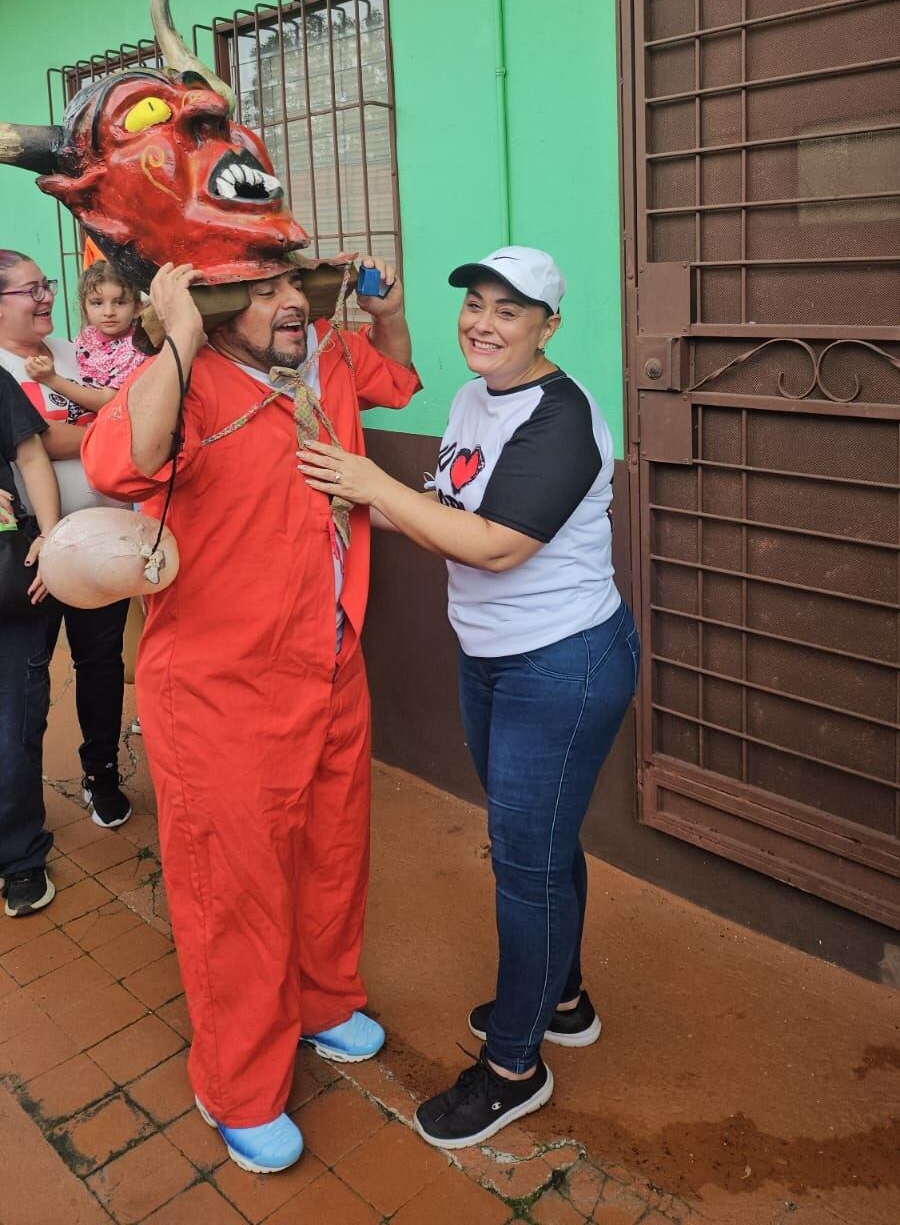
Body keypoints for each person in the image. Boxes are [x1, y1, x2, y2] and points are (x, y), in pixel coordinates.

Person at [81, 255, 419, 1174]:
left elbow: (401, 374)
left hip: (332, 661)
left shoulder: (330, 360)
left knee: (331, 851)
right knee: (236, 893)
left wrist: (391, 311)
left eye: (294, 287)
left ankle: (323, 999)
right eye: (260, 291)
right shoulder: (186, 386)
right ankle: (236, 1084)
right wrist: (179, 336)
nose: (289, 305)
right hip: (221, 691)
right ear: (214, 304)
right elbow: (120, 461)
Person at [300, 246, 640, 1149]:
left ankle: (514, 1067)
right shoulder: (472, 397)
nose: (483, 324)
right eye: (475, 305)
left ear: (548, 327)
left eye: (509, 311)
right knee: (538, 842)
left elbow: (492, 546)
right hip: (492, 656)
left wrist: (368, 485)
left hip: (559, 664)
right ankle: (561, 996)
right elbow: (447, 501)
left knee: (523, 862)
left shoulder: (561, 419)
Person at [0, 250, 132, 827]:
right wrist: (107, 425)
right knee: (26, 686)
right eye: (31, 290)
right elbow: (41, 442)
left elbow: (119, 407)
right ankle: (23, 820)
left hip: (103, 537)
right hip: (31, 550)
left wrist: (100, 422)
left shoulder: (72, 352)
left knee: (101, 662)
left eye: (46, 285)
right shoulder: (2, 367)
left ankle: (101, 773)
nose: (46, 296)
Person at [0, 368, 60, 916]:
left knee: (16, 724)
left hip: (5, 584)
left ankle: (20, 856)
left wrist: (49, 534)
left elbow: (32, 455)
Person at [25, 261, 144, 419]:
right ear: (85, 308)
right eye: (97, 303)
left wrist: (51, 379)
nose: (108, 312)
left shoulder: (135, 349)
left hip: (114, 426)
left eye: (120, 303)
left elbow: (106, 402)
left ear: (137, 308)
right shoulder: (86, 336)